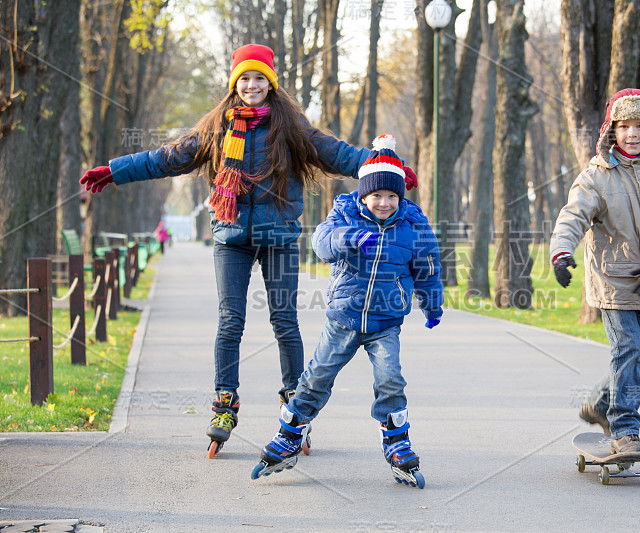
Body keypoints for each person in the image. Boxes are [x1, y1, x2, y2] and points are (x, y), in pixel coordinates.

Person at [80, 44, 417, 457]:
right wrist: (114, 170)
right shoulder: (216, 130)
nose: (252, 85)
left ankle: (295, 404)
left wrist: (388, 167)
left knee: (284, 321)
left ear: (270, 84)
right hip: (232, 239)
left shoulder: (292, 129)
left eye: (260, 79)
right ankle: (225, 403)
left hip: (278, 239)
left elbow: (342, 155)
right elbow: (165, 159)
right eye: (244, 79)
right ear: (234, 84)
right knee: (229, 322)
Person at [250, 134, 443, 489]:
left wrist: (433, 305)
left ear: (401, 196)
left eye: (391, 196)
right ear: (363, 194)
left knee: (390, 379)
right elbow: (321, 242)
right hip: (343, 318)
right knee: (317, 377)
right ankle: (291, 432)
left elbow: (428, 267)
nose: (384, 203)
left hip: (386, 322)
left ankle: (397, 441)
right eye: (376, 195)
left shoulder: (413, 225)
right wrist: (349, 238)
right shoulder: (345, 212)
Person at [549, 88, 640, 454]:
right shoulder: (596, 176)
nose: (632, 134)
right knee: (628, 350)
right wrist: (561, 252)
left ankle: (600, 402)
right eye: (625, 125)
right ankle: (625, 430)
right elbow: (573, 216)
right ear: (612, 130)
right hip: (613, 281)